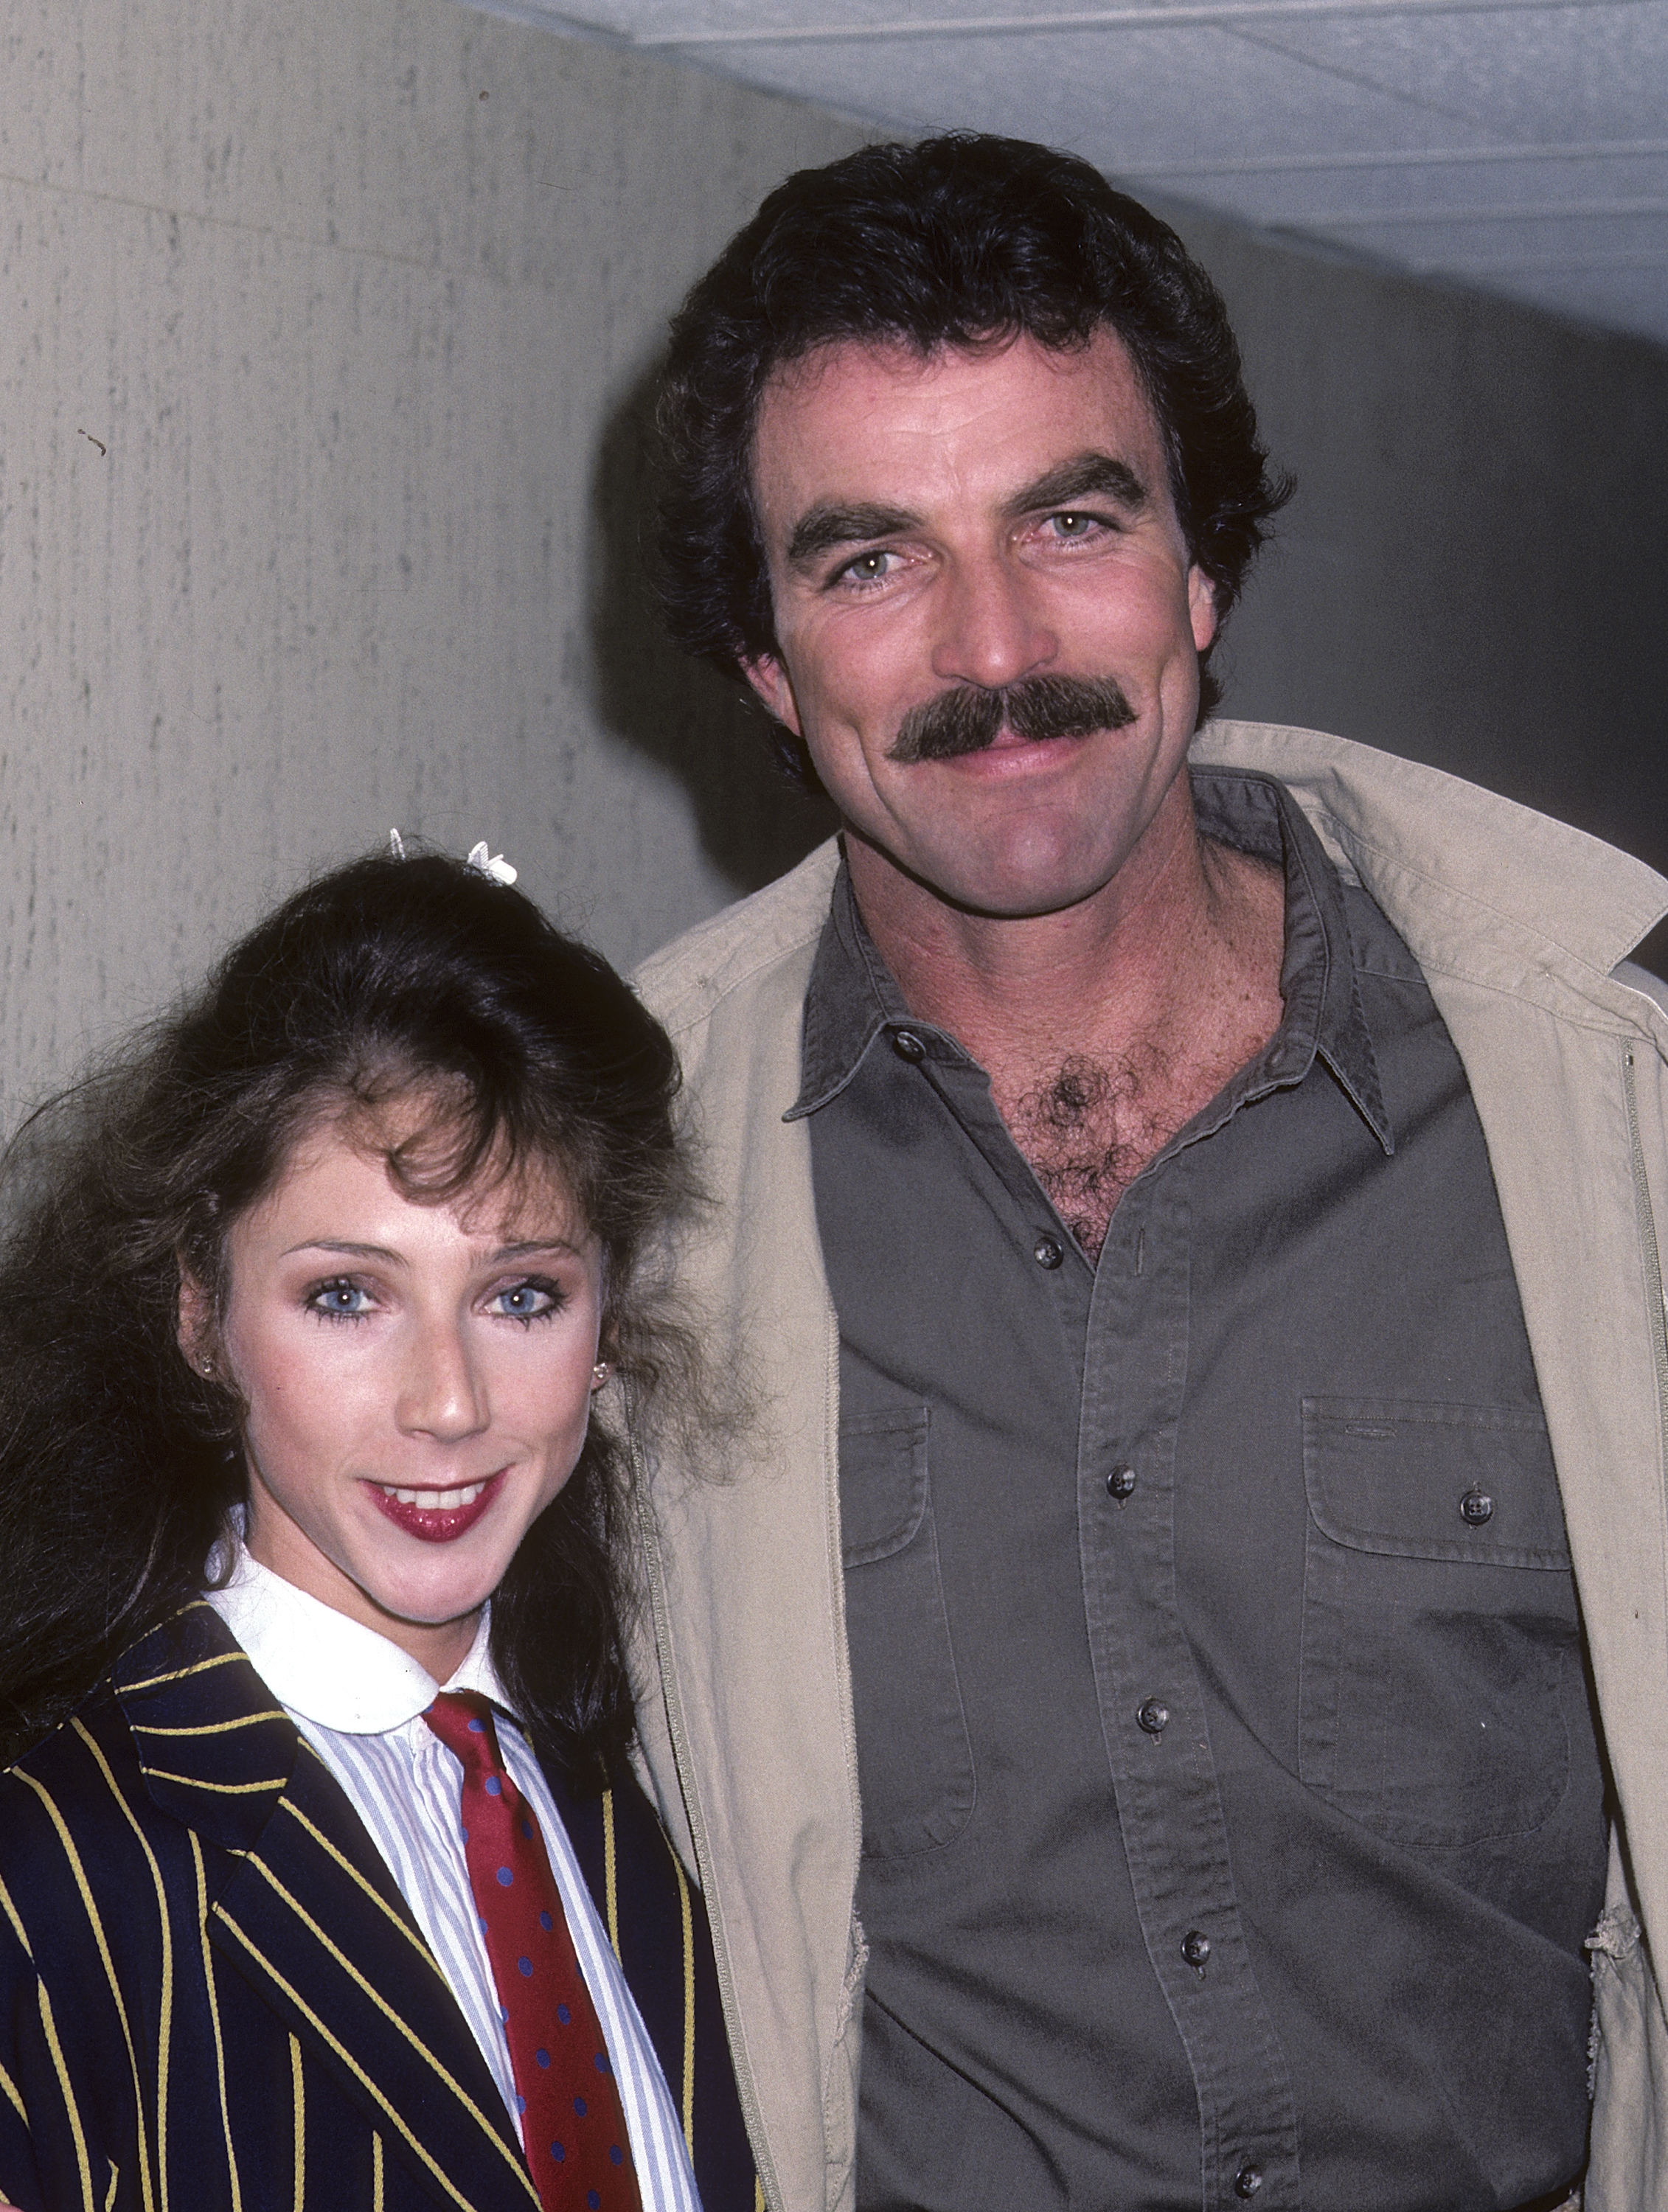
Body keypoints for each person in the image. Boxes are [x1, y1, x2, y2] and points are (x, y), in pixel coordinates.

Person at [625, 131, 1668, 2212]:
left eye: (1068, 520)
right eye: (867, 561)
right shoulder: (602, 1182)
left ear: (1200, 572)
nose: (992, 645)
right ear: (762, 661)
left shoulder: (1606, 1100)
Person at [0, 846, 754, 2212]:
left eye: (520, 1294)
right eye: (346, 1296)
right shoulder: (49, 1865)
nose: (450, 1402)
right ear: (199, 1319)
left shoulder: (655, 1784)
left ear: (607, 1323)